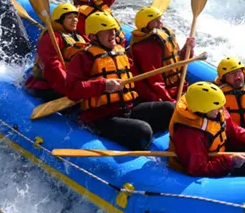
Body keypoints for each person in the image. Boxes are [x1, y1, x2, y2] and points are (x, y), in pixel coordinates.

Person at [65, 12, 175, 150]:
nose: (112, 34)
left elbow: (135, 79)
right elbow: (72, 90)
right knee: (143, 130)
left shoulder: (120, 51)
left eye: (113, 30)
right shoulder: (83, 58)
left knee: (169, 109)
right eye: (106, 32)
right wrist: (103, 85)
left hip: (127, 108)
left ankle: (149, 141)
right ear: (93, 36)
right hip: (101, 117)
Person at [168, 82, 245, 178]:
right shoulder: (190, 135)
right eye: (217, 107)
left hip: (218, 155)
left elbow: (234, 130)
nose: (221, 109)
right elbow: (198, 169)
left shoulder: (215, 111)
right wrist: (230, 162)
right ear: (203, 109)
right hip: (202, 168)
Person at [129, 6, 195, 102]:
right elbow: (155, 80)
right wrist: (170, 101)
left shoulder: (164, 34)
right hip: (164, 94)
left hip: (179, 87)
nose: (160, 23)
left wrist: (188, 47)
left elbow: (180, 59)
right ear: (145, 24)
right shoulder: (144, 48)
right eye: (156, 21)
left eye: (160, 19)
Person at [24, 3, 87, 101]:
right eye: (69, 17)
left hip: (72, 82)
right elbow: (51, 65)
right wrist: (67, 87)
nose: (75, 20)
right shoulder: (51, 37)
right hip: (48, 85)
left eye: (76, 17)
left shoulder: (78, 37)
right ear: (60, 21)